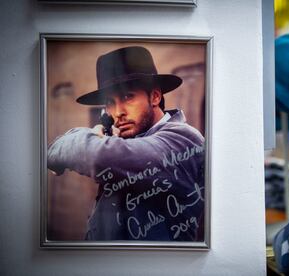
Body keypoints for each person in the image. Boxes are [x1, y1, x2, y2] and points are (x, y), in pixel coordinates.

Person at [47, 46, 205, 241]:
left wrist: (76, 142)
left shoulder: (184, 139)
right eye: (110, 103)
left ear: (155, 96)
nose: (118, 112)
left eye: (127, 97)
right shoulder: (124, 139)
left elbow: (98, 156)